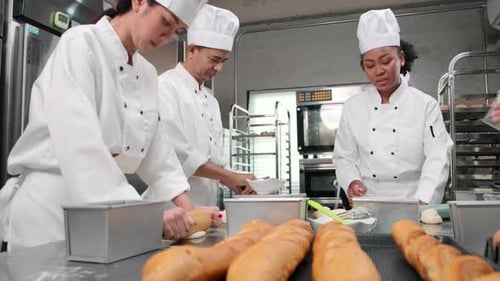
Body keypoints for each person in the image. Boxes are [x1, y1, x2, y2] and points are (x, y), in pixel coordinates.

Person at [0, 0, 218, 252]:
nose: (167, 37)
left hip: (105, 211)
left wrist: (187, 210)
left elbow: (157, 151)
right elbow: (80, 143)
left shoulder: (146, 72)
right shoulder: (81, 43)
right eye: (166, 23)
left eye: (177, 31)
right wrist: (139, 214)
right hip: (51, 210)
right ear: (138, 2)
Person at [332, 8, 453, 205]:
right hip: (368, 204)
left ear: (401, 58)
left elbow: (438, 157)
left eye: (386, 61)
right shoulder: (353, 107)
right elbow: (343, 157)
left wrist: (425, 200)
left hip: (413, 202)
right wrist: (352, 181)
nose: (378, 71)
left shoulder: (425, 105)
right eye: (370, 65)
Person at [152, 4, 256, 207]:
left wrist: (238, 181)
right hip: (171, 207)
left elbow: (216, 159)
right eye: (214, 59)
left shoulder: (211, 101)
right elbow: (175, 154)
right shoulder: (164, 87)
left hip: (207, 206)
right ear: (192, 50)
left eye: (224, 61)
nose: (218, 68)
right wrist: (228, 176)